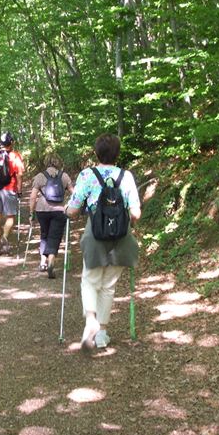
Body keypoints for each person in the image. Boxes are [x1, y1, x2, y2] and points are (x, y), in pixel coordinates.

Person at [64, 133, 141, 351]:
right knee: (108, 285)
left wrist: (67, 211)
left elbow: (74, 208)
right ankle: (102, 334)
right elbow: (135, 212)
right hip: (121, 235)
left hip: (95, 234)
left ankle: (91, 320)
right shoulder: (126, 176)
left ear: (96, 153)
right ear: (118, 154)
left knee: (90, 280)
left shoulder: (87, 175)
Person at [28, 153, 75, 278]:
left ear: (46, 162)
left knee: (44, 234)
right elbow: (74, 194)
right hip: (59, 210)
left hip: (42, 210)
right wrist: (70, 206)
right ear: (58, 162)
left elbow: (33, 197)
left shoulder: (39, 176)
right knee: (54, 237)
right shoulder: (64, 176)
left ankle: (43, 262)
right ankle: (51, 262)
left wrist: (31, 212)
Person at [0, 131, 25, 255]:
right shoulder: (15, 156)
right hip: (10, 190)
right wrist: (19, 190)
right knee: (10, 217)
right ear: (11, 143)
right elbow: (20, 175)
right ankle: (5, 237)